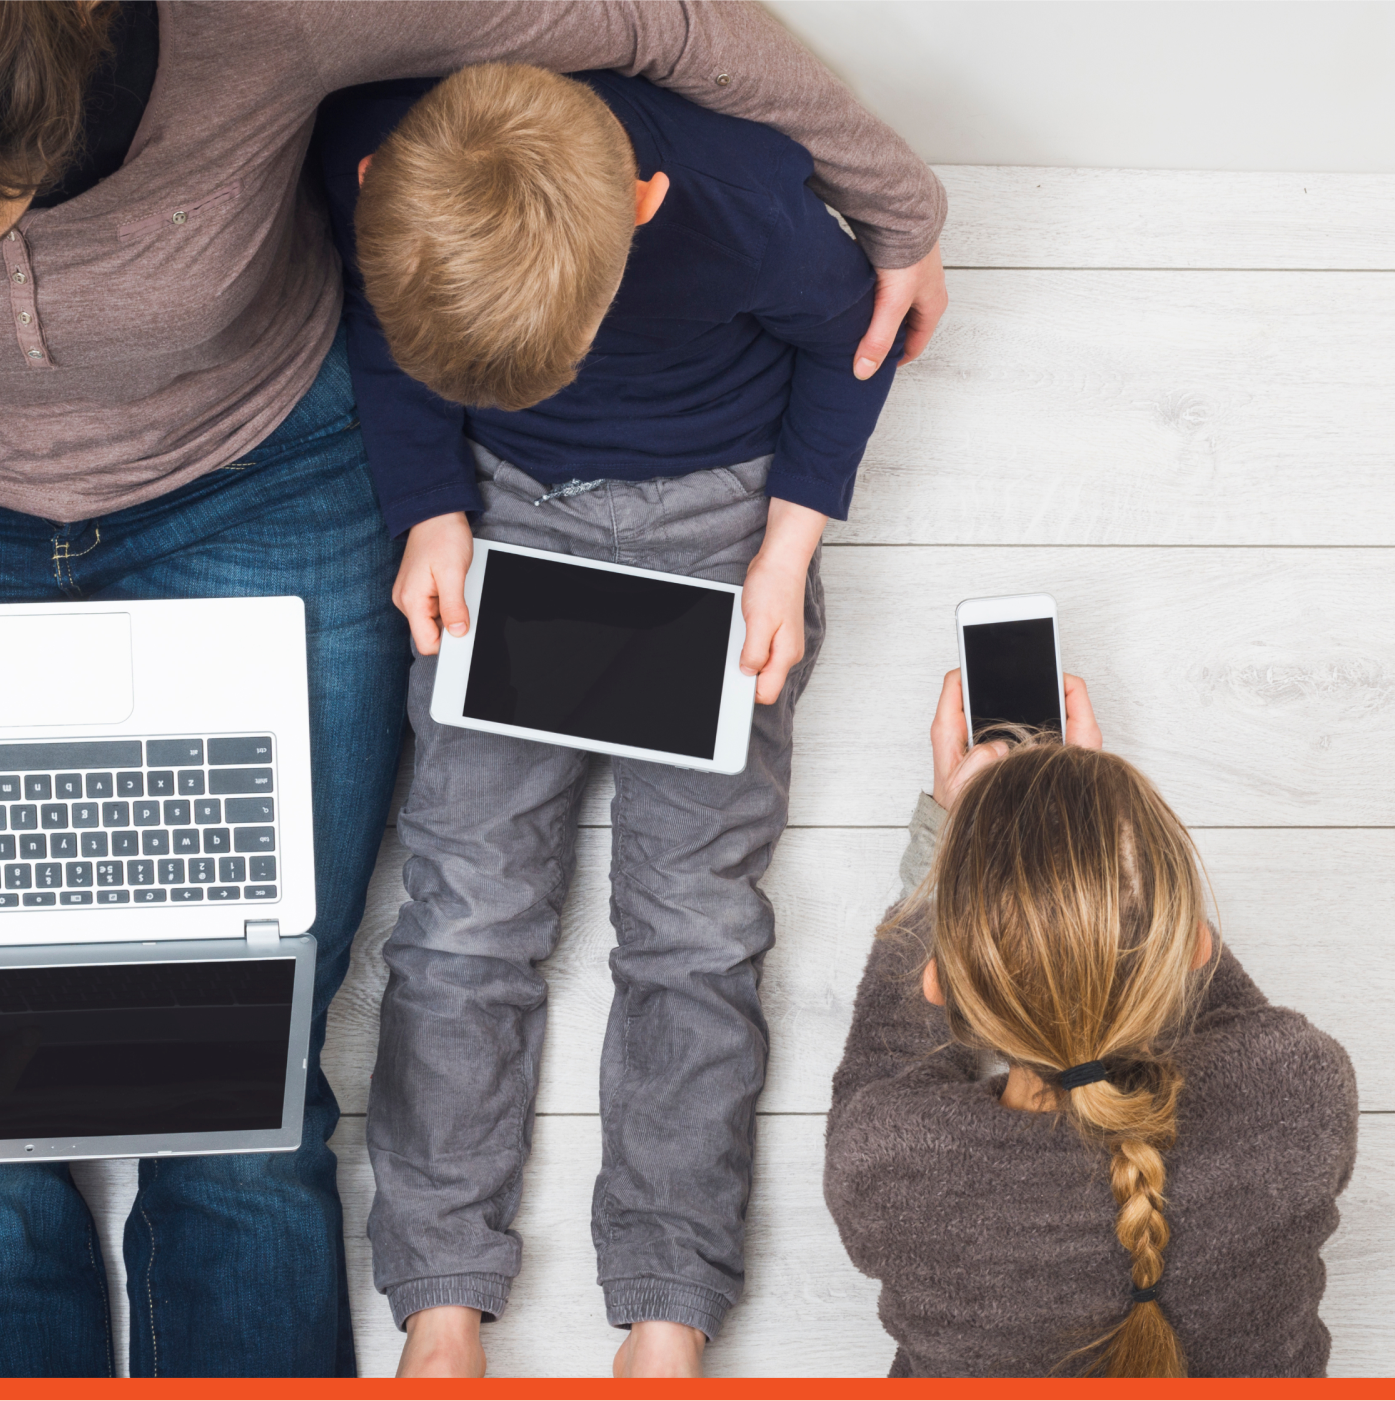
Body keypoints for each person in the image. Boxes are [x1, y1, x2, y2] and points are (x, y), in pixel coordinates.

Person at [0, 0, 946, 1377]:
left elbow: (663, 25)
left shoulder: (342, 46)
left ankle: (627, 1304)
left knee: (252, 1062)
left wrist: (904, 215)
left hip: (274, 474)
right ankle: (444, 1302)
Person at [311, 64, 905, 1376]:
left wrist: (784, 560)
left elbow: (853, 344)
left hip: (717, 522)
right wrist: (428, 511)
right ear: (371, 186)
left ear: (645, 203)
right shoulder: (382, 164)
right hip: (502, 509)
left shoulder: (743, 195)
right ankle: (440, 1299)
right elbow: (383, 332)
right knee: (466, 910)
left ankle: (666, 1304)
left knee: (696, 925)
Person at [824, 672, 1358, 1376]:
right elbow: (1227, 1012)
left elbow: (882, 1073)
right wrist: (1094, 843)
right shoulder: (1298, 1091)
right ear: (1195, 945)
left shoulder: (891, 1168)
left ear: (937, 985)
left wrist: (946, 837)